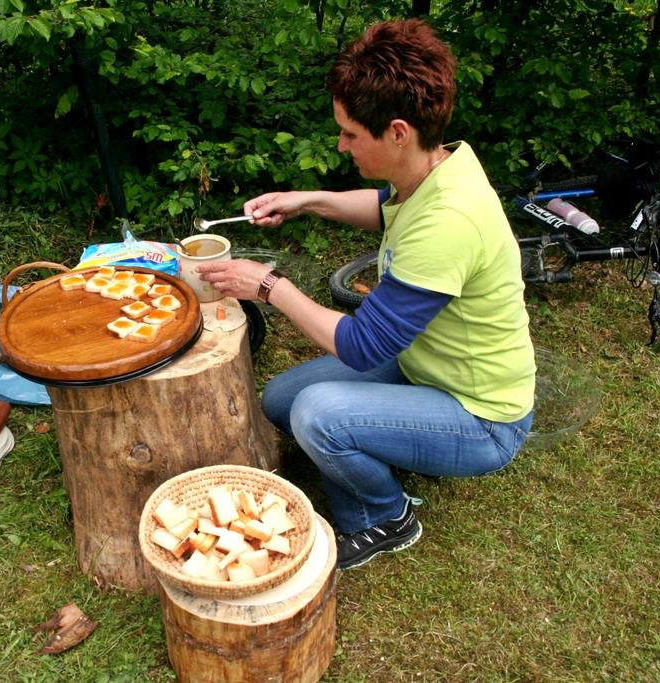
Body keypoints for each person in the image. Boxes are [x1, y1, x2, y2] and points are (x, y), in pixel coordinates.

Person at [195, 19, 535, 570]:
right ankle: (385, 442)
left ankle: (385, 516)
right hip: (427, 370)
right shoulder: (436, 169)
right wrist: (303, 200)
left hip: (483, 418)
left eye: (351, 133)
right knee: (281, 399)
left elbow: (361, 346)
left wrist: (267, 285)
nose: (341, 143)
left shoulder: (449, 221)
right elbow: (381, 207)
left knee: (316, 414)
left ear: (398, 132)